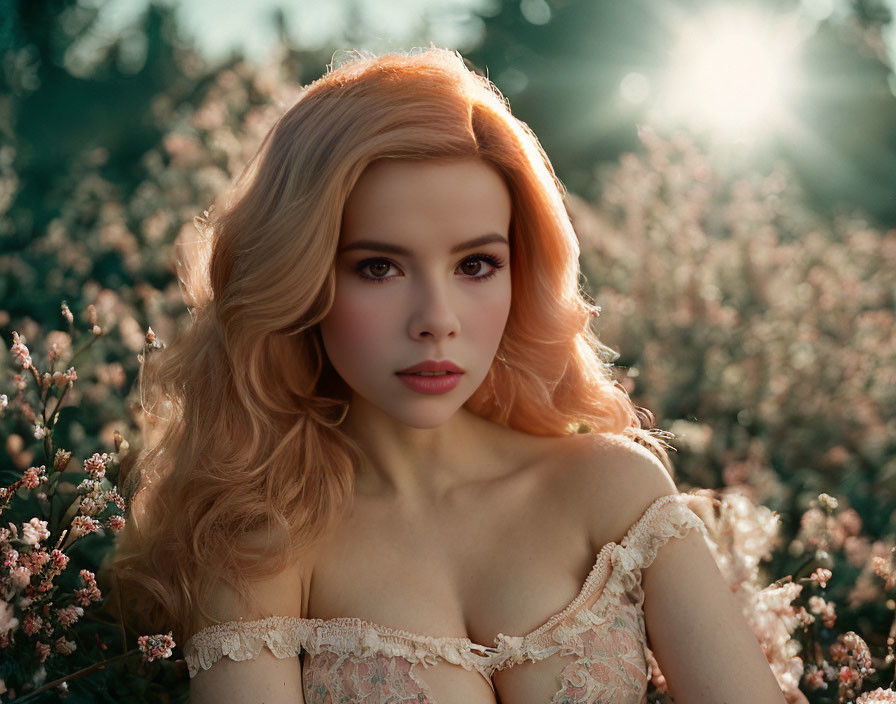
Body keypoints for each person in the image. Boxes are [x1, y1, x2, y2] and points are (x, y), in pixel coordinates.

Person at [102, 46, 788, 703]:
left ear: (522, 273)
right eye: (378, 267)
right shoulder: (264, 541)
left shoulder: (614, 490)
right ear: (302, 281)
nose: (437, 319)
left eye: (476, 265)